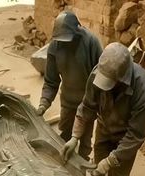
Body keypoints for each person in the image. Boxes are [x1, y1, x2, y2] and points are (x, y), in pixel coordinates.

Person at [62, 42, 145, 176]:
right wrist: (75, 136)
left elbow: (136, 135)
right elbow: (87, 107)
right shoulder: (100, 73)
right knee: (96, 172)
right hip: (104, 128)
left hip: (126, 138)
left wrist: (111, 161)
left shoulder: (143, 89)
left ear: (122, 78)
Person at [37, 10, 102, 160]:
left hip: (87, 102)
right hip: (68, 101)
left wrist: (95, 104)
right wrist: (43, 104)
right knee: (64, 138)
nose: (64, 43)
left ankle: (82, 171)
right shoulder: (55, 46)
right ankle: (65, 171)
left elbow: (100, 78)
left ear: (77, 30)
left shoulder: (91, 42)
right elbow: (51, 81)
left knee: (84, 143)